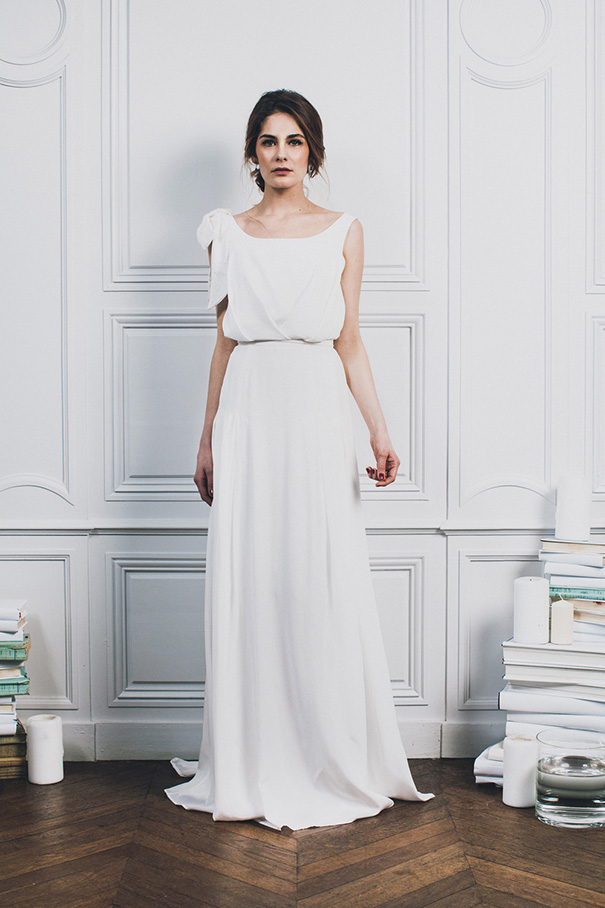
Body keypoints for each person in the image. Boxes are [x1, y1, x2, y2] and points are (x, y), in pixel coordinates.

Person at [165, 89, 433, 830]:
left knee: (317, 573)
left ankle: (323, 751)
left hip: (316, 410)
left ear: (311, 149)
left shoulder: (343, 230)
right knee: (253, 573)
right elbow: (223, 344)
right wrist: (206, 436)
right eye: (267, 140)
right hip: (250, 408)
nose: (280, 153)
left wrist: (379, 431)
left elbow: (350, 342)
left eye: (293, 140)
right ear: (251, 153)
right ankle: (253, 753)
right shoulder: (225, 232)